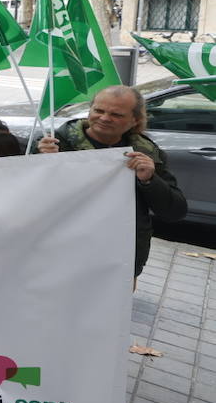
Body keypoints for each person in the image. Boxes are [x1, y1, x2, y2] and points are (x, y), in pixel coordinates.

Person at [35, 85, 186, 280]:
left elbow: (175, 211)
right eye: (98, 110)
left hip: (118, 259)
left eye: (116, 114)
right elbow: (27, 198)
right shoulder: (53, 144)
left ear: (135, 120)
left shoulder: (147, 154)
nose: (105, 118)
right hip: (62, 254)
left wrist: (150, 179)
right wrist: (40, 161)